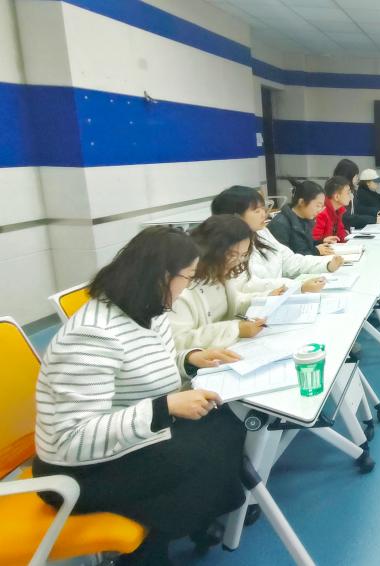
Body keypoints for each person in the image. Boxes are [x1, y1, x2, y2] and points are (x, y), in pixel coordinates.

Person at [32, 227, 248, 564]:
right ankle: (154, 548)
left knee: (224, 425)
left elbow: (149, 371)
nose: (188, 287)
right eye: (187, 277)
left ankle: (195, 519)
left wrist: (188, 360)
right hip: (75, 472)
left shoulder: (149, 311)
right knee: (197, 454)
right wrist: (164, 408)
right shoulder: (92, 335)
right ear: (161, 277)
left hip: (123, 441)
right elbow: (71, 439)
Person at [170, 215, 277, 350]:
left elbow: (233, 304)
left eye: (243, 255)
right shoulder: (181, 288)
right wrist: (235, 329)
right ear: (209, 249)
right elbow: (179, 341)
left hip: (227, 350)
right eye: (231, 255)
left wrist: (267, 297)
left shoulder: (217, 274)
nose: (237, 261)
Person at [211, 186, 341, 294]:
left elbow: (289, 260)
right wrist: (298, 286)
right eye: (257, 211)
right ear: (236, 217)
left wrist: (326, 264)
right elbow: (249, 286)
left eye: (263, 209)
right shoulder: (229, 248)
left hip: (278, 298)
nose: (264, 214)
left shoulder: (261, 232)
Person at [267, 179, 331, 256]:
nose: (319, 210)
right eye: (318, 206)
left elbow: (304, 245)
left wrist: (321, 242)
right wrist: (316, 251)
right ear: (302, 202)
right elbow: (284, 258)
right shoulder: (280, 224)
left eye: (321, 206)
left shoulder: (305, 219)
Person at [334, 158, 378, 229]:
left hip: (350, 230)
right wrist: (372, 219)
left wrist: (376, 213)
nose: (358, 178)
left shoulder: (352, 191)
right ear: (349, 176)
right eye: (356, 175)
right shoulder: (337, 193)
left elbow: (358, 209)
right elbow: (346, 218)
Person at [314, 176, 353, 244]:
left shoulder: (338, 211)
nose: (350, 196)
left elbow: (341, 234)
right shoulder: (321, 212)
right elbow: (315, 241)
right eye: (348, 193)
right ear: (336, 197)